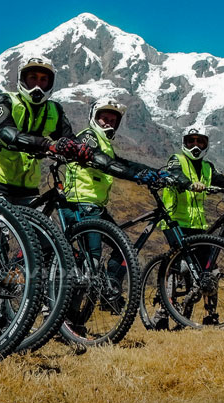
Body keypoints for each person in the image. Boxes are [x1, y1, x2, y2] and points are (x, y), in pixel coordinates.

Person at [60, 99, 168, 311]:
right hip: (80, 202)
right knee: (90, 261)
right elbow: (105, 164)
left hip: (95, 206)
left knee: (122, 248)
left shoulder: (105, 143)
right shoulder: (89, 137)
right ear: (94, 118)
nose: (109, 124)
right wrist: (138, 176)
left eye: (113, 121)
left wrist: (153, 172)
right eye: (104, 119)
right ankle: (72, 317)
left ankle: (108, 289)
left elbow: (123, 163)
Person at [157, 126, 224, 326]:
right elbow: (175, 175)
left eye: (201, 142)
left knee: (211, 270)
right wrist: (189, 184)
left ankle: (210, 315)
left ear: (206, 144)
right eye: (191, 141)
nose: (196, 146)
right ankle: (163, 312)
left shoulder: (207, 168)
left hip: (199, 226)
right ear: (184, 142)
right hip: (175, 222)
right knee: (179, 266)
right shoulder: (176, 160)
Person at [0, 56, 92, 204]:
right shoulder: (3, 101)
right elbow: (6, 133)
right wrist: (48, 145)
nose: (38, 85)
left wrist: (79, 148)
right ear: (23, 80)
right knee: (0, 227)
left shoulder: (54, 110)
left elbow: (69, 138)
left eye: (43, 80)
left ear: (50, 83)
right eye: (32, 78)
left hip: (28, 186)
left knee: (35, 227)